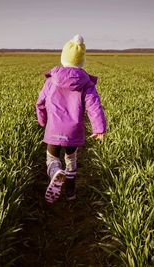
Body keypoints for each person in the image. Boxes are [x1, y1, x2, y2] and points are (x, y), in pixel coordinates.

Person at [36, 34, 106, 203]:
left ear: (63, 59)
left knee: (52, 159)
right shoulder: (87, 84)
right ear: (82, 62)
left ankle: (55, 173)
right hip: (73, 131)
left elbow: (40, 103)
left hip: (54, 128)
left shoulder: (51, 81)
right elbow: (94, 106)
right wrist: (99, 128)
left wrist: (43, 121)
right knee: (71, 159)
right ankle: (70, 192)